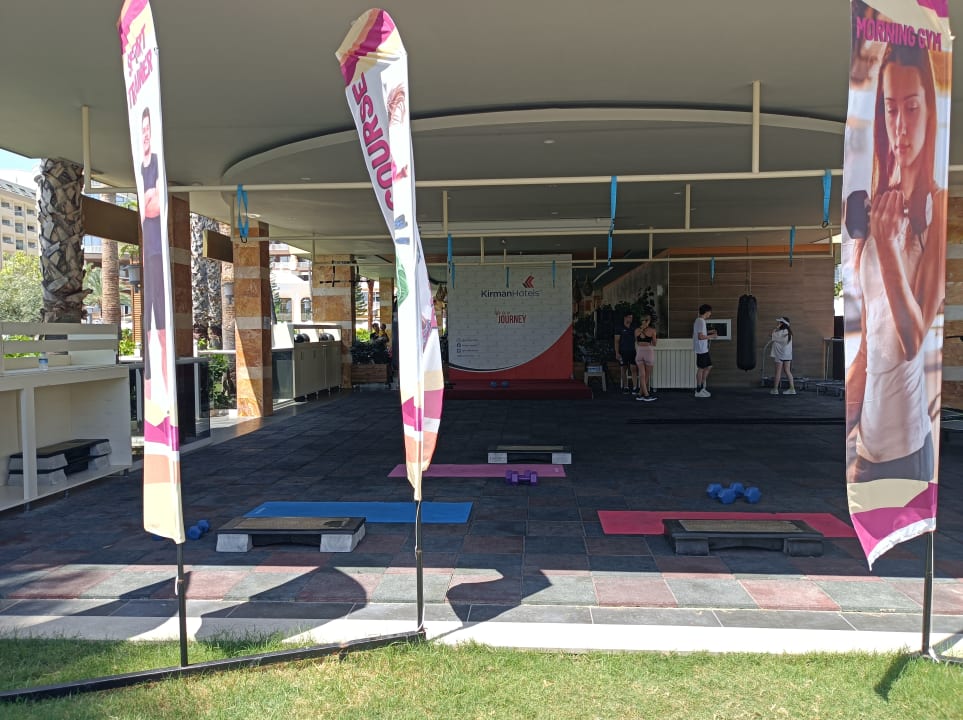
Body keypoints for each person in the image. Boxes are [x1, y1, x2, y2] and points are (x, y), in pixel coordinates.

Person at [845, 42, 946, 484]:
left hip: (908, 449)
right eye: (890, 110)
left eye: (912, 107)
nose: (901, 126)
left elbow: (911, 339)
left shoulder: (935, 209)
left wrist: (888, 248)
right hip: (867, 449)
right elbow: (870, 347)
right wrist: (848, 434)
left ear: (930, 111)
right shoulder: (878, 211)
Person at [692, 304, 717, 398]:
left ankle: (702, 387)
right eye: (710, 312)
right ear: (706, 312)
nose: (710, 314)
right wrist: (712, 336)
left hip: (703, 349)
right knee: (701, 368)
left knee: (708, 366)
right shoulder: (701, 321)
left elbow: (700, 333)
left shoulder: (699, 321)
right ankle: (698, 390)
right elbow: (700, 337)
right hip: (701, 349)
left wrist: (709, 332)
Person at [634, 313, 658, 402]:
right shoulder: (652, 330)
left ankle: (640, 394)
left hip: (640, 351)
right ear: (648, 321)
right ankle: (646, 395)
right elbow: (654, 343)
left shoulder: (636, 330)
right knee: (646, 375)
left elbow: (637, 342)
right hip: (648, 352)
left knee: (642, 375)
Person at [769, 317, 796, 395]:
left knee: (778, 372)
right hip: (788, 355)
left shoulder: (780, 332)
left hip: (779, 355)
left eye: (780, 322)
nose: (778, 324)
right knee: (788, 371)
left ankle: (775, 390)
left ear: (782, 324)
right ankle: (792, 389)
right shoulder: (789, 332)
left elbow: (771, 334)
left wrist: (776, 328)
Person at [614, 311, 638, 393]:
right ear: (625, 317)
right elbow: (616, 341)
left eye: (632, 317)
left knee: (633, 369)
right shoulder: (619, 327)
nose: (631, 319)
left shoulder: (634, 327)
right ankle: (625, 387)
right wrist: (617, 353)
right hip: (623, 351)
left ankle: (635, 387)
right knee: (623, 369)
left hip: (632, 351)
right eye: (629, 317)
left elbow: (637, 339)